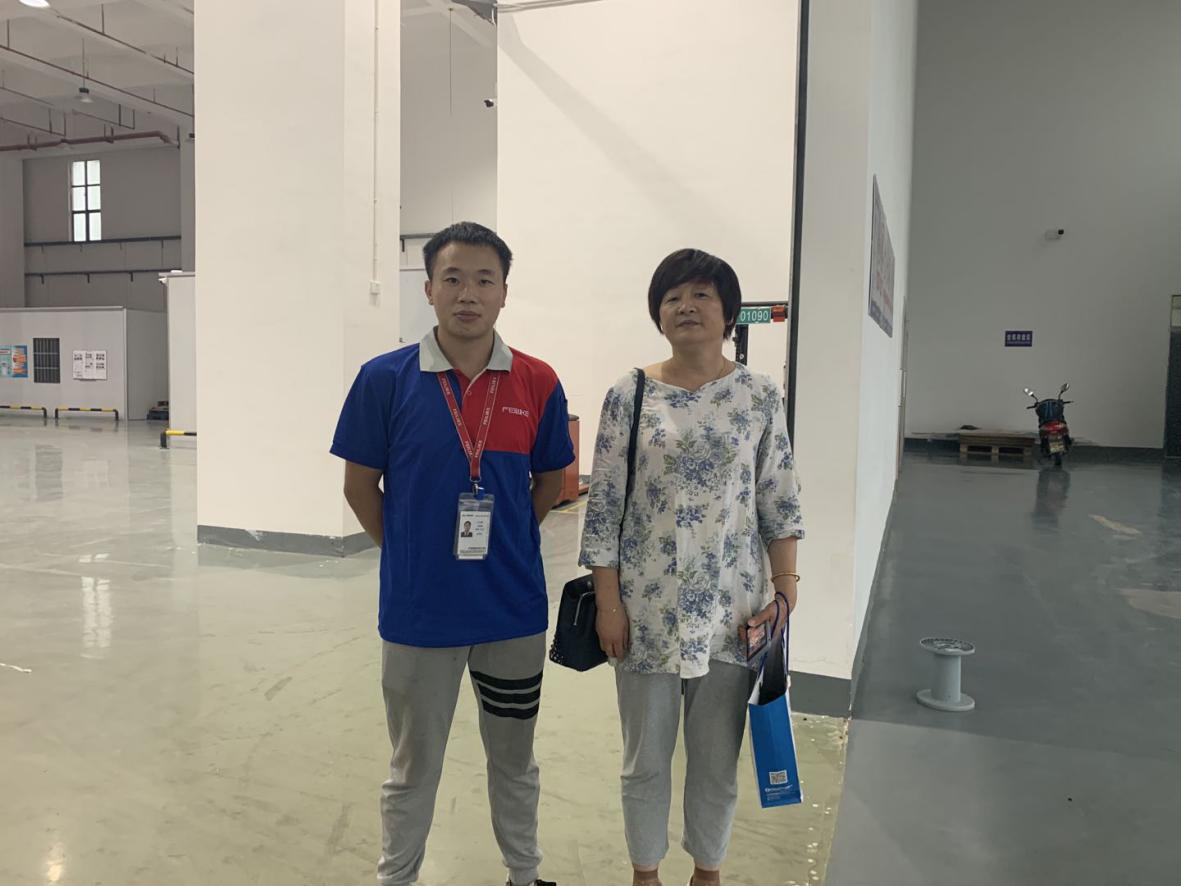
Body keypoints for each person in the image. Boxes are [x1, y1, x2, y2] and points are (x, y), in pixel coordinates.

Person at [331, 221, 574, 886]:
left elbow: (550, 480)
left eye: (484, 280)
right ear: (430, 290)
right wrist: (408, 555)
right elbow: (359, 486)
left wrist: (509, 541)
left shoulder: (537, 381)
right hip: (419, 616)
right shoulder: (384, 380)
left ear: (504, 293)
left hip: (512, 613)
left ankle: (524, 875)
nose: (469, 294)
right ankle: (397, 878)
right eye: (453, 279)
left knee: (514, 760)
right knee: (413, 766)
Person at [579, 248, 805, 886]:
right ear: (657, 313)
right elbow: (604, 508)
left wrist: (785, 595)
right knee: (644, 760)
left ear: (728, 312)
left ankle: (708, 870)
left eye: (702, 294)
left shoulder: (759, 396)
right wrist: (608, 605)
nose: (686, 306)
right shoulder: (629, 394)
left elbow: (779, 499)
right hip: (644, 612)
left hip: (735, 614)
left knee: (716, 762)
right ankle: (645, 872)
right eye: (672, 296)